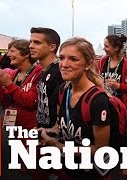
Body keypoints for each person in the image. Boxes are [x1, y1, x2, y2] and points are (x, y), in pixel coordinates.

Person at [39, 37, 111, 179]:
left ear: (88, 64)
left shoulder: (97, 101)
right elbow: (60, 126)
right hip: (68, 168)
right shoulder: (63, 90)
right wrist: (48, 132)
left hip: (91, 172)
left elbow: (100, 149)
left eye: (73, 59)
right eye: (62, 58)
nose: (64, 64)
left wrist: (57, 146)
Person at [0, 39, 43, 175]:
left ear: (25, 54)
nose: (8, 54)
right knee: (25, 169)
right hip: (16, 126)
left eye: (12, 51)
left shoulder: (38, 72)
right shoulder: (13, 74)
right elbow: (7, 103)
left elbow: (31, 101)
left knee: (36, 168)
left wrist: (8, 84)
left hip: (32, 128)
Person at [100, 34, 127, 176]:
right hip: (106, 104)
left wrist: (118, 85)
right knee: (107, 132)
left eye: (107, 46)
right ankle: (109, 158)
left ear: (116, 48)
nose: (104, 49)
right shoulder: (103, 61)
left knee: (126, 135)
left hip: (122, 106)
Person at [29, 27, 64, 129]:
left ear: (52, 47)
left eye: (37, 43)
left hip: (53, 136)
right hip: (42, 131)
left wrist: (52, 131)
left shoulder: (59, 72)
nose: (31, 46)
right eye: (30, 42)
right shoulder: (45, 70)